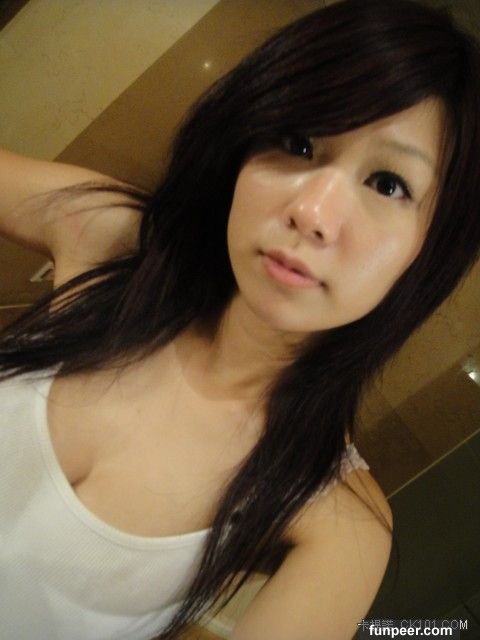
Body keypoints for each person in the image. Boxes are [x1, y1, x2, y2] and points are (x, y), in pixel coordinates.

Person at [1, 0, 479, 638]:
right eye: (299, 143)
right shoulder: (114, 240)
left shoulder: (339, 522)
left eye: (388, 184)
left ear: (431, 249)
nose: (313, 212)